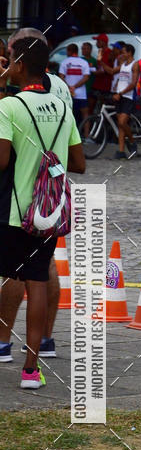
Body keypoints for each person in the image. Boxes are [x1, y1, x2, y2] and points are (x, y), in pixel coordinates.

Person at [0, 35, 85, 388]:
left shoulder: (10, 107)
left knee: (8, 279)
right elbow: (78, 163)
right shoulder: (62, 107)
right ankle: (31, 371)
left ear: (19, 65)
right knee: (36, 283)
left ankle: (3, 344)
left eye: (9, 59)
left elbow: (2, 160)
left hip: (13, 212)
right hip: (48, 213)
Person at [59, 43, 90, 124]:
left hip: (68, 93)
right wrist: (75, 87)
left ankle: (69, 135)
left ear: (69, 51)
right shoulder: (84, 62)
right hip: (81, 94)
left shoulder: (64, 62)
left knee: (68, 115)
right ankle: (86, 135)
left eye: (67, 51)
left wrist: (70, 87)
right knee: (85, 115)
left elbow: (61, 77)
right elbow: (86, 77)